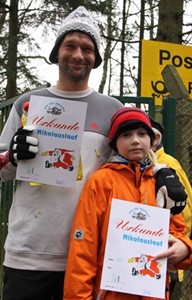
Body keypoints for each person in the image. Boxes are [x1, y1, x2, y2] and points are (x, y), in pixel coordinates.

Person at [0, 6, 123, 300]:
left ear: (96, 59)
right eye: (70, 45)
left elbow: (131, 167)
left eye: (87, 48)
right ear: (57, 53)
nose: (79, 54)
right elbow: (2, 167)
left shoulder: (114, 110)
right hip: (29, 251)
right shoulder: (28, 104)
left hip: (88, 252)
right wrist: (13, 157)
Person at [63, 107, 192, 300]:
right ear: (115, 143)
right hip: (110, 293)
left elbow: (177, 231)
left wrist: (185, 249)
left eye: (142, 134)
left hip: (154, 291)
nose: (135, 140)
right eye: (126, 134)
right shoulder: (101, 182)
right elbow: (84, 246)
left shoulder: (164, 180)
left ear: (152, 140)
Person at [150, 117, 192, 298]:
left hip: (167, 255)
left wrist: (180, 247)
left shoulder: (168, 165)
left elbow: (184, 212)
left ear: (155, 138)